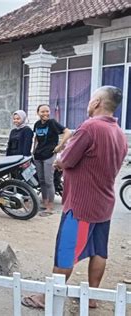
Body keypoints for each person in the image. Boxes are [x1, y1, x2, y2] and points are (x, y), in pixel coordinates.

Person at [22, 86, 128, 310]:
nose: (89, 104)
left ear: (97, 102)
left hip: (81, 205)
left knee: (66, 250)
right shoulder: (119, 132)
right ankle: (92, 296)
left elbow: (65, 160)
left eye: (91, 100)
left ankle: (46, 298)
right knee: (99, 251)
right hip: (104, 202)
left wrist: (61, 156)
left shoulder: (90, 127)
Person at [33, 104, 72, 215]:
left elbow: (68, 132)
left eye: (47, 111)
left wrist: (60, 145)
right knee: (41, 181)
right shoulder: (37, 124)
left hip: (49, 155)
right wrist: (33, 150)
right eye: (42, 111)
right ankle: (44, 203)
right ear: (38, 113)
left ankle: (50, 206)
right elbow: (36, 137)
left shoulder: (52, 123)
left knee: (49, 181)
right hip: (38, 155)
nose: (45, 114)